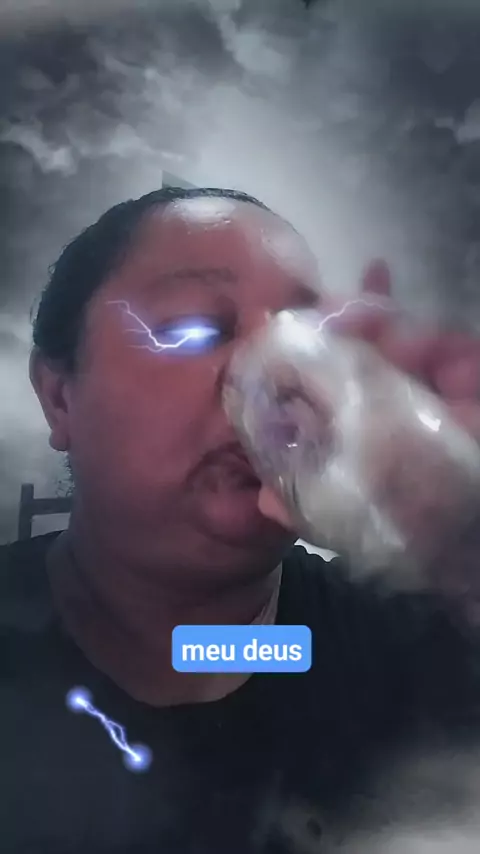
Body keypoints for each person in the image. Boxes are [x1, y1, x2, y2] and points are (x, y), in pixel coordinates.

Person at [1, 185, 480, 854]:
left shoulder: (419, 655)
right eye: (192, 328)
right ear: (59, 396)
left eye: (302, 334)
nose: (276, 373)